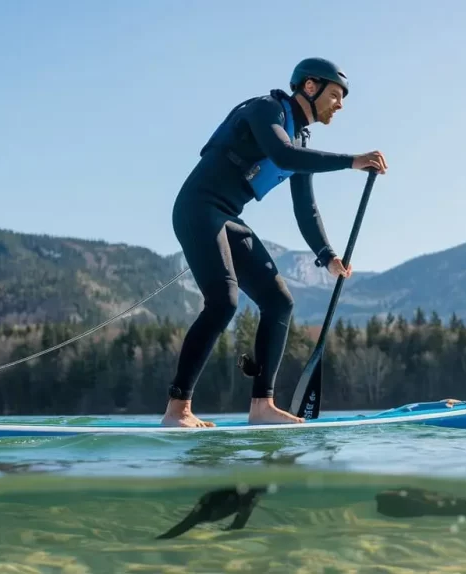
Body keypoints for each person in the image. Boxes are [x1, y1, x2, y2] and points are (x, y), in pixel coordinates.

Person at [162, 57, 388, 427]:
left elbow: (306, 207)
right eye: (335, 95)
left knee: (279, 302)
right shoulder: (266, 110)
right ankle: (177, 410)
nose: (340, 105)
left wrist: (327, 255)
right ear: (310, 87)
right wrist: (353, 161)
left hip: (228, 217)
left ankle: (262, 407)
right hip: (197, 208)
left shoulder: (300, 137)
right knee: (223, 302)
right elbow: (282, 156)